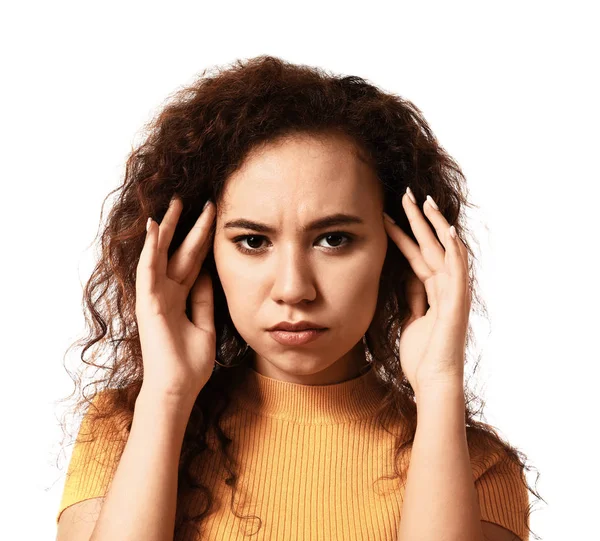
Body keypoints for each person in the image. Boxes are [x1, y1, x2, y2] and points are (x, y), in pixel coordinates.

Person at [55, 55, 540, 541]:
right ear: (201, 255)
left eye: (333, 239)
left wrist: (438, 387)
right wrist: (166, 396)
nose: (293, 289)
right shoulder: (121, 432)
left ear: (397, 252)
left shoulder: (476, 468)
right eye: (253, 241)